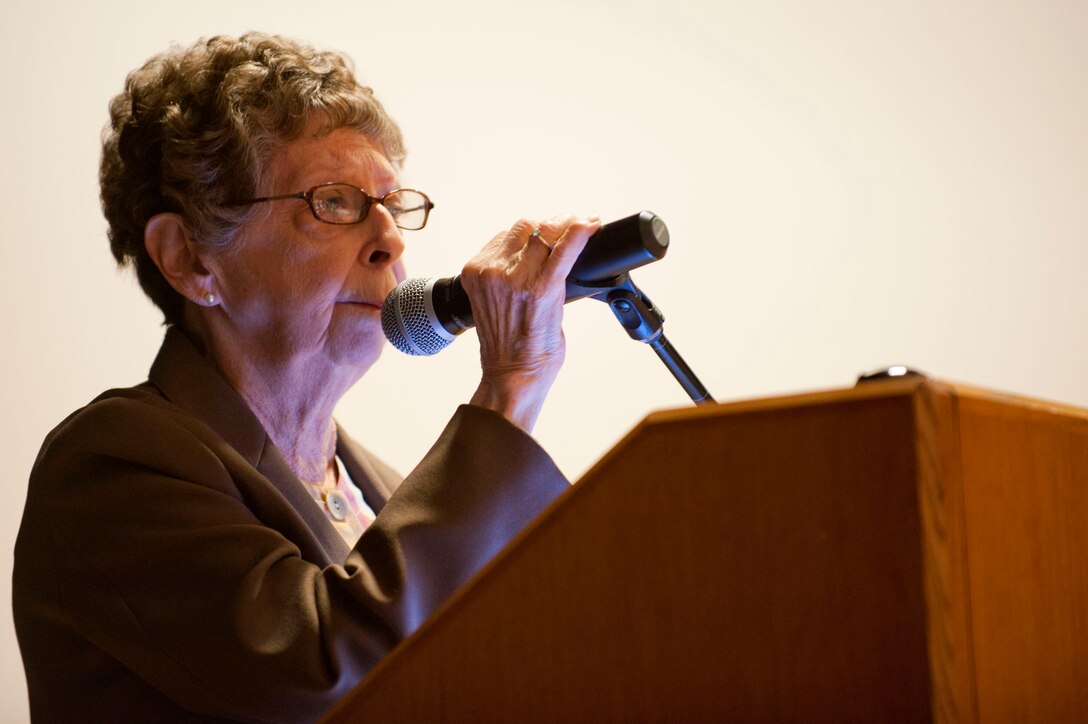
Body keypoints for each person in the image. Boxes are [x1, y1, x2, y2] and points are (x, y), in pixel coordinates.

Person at [13, 32, 599, 722]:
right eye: (335, 202)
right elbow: (320, 677)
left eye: (391, 203)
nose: (390, 239)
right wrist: (508, 389)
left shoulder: (381, 488)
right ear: (190, 258)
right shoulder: (112, 464)